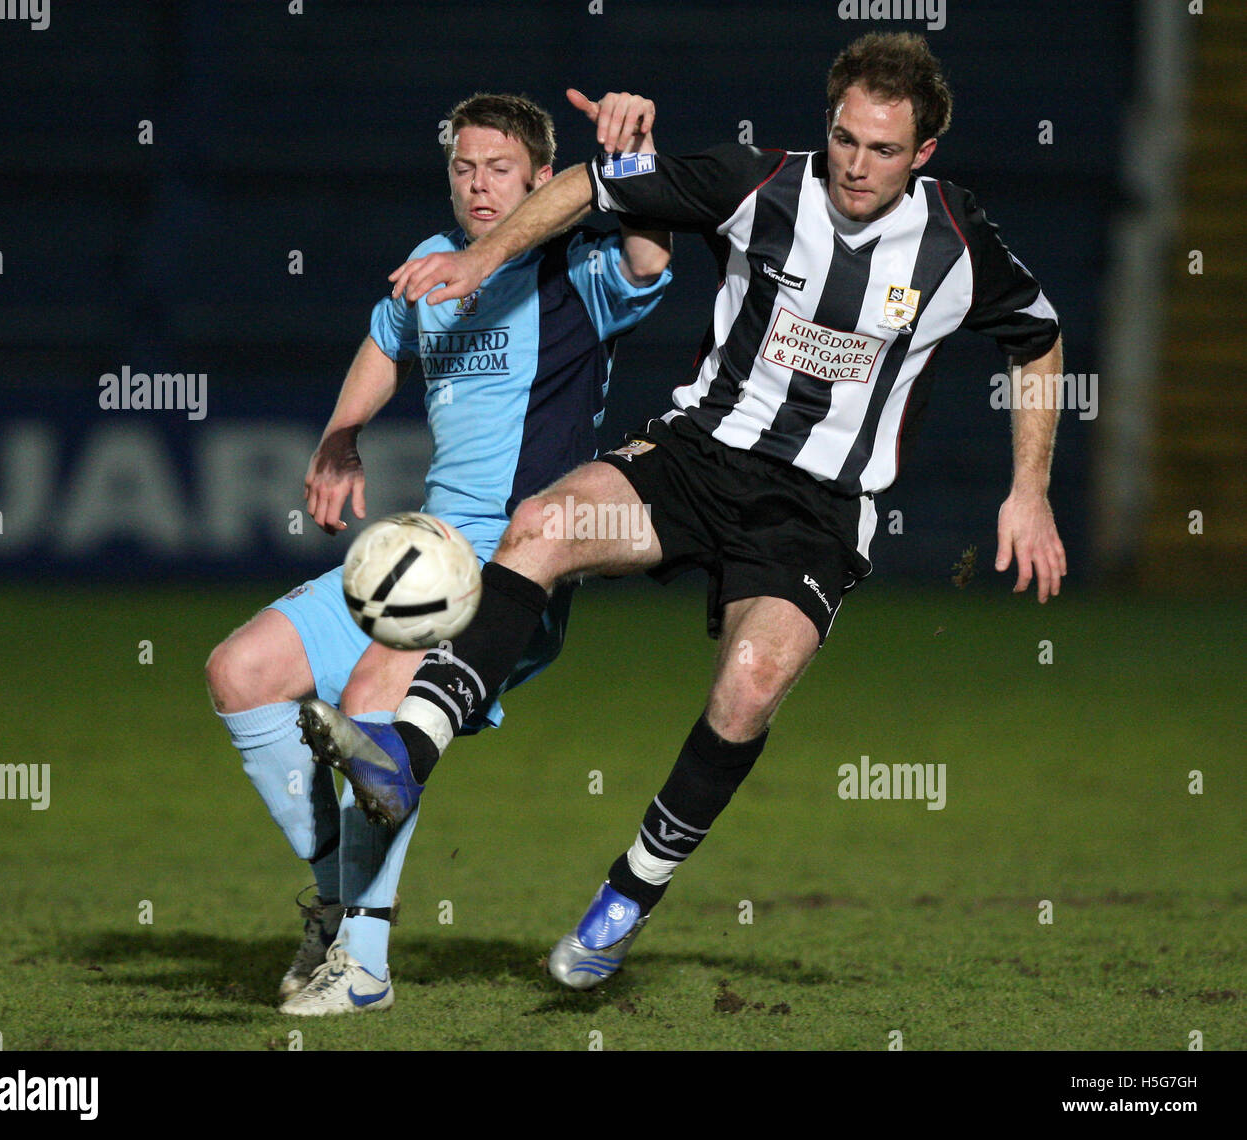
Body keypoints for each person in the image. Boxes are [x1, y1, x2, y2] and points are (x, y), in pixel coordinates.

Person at [308, 31, 1067, 991]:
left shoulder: (957, 244)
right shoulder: (757, 184)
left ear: (922, 156)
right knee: (541, 524)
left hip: (819, 510)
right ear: (824, 126)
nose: (857, 164)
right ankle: (406, 749)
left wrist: (1030, 491)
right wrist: (482, 259)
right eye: (844, 139)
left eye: (883, 149)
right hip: (698, 461)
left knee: (749, 686)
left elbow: (1037, 340)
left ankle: (630, 891)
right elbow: (591, 184)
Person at [205, 90, 671, 1013]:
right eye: (464, 168)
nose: (479, 185)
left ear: (543, 178)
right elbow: (388, 341)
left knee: (377, 701)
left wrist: (636, 155)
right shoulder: (434, 264)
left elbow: (650, 253)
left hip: (511, 570)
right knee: (242, 670)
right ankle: (342, 901)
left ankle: (364, 968)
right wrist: (341, 435)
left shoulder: (577, 270)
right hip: (419, 557)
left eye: (500, 168)